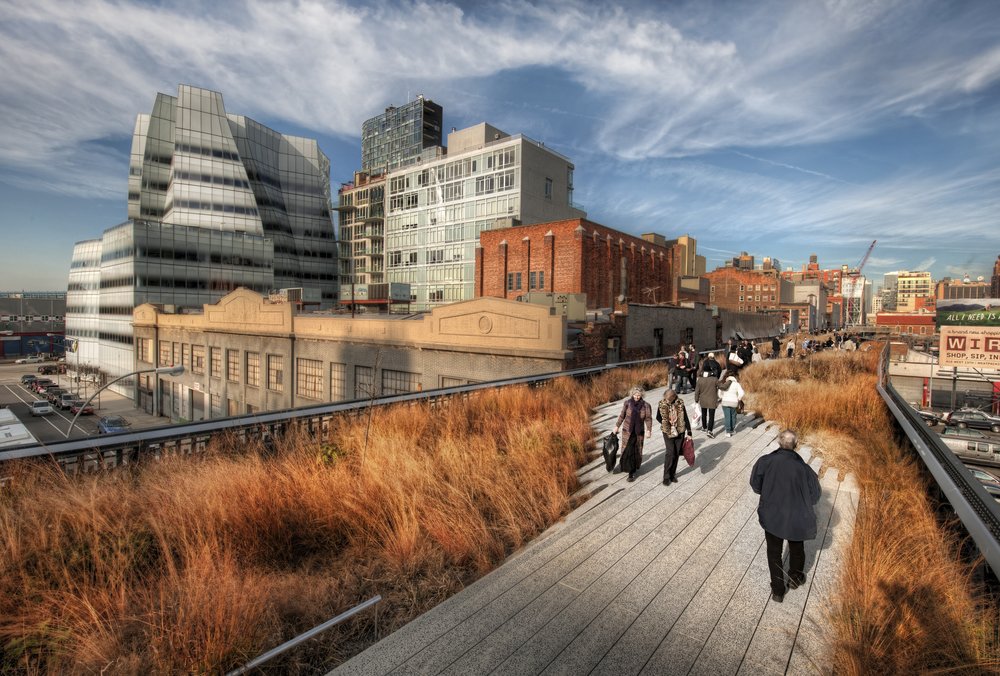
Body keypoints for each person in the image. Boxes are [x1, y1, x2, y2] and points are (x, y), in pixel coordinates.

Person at [750, 430, 821, 603]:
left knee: (773, 552)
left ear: (779, 442)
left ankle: (778, 591)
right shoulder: (803, 468)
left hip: (772, 515)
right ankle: (795, 578)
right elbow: (815, 495)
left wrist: (767, 492)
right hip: (796, 516)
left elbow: (755, 484)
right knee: (797, 549)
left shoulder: (765, 462)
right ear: (795, 445)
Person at [614, 386, 652, 482]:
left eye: (639, 395)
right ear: (632, 394)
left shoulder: (646, 405)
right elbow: (622, 415)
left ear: (641, 395)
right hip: (627, 431)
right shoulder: (627, 403)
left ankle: (631, 472)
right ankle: (623, 466)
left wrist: (649, 430)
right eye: (635, 394)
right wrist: (617, 426)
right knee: (626, 449)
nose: (637, 397)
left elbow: (648, 419)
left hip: (638, 433)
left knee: (635, 451)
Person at [657, 390, 691, 485]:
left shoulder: (680, 403)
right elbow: (658, 417)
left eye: (668, 399)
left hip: (680, 431)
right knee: (670, 453)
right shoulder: (662, 404)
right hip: (668, 432)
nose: (667, 401)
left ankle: (672, 474)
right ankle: (666, 476)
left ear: (673, 398)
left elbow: (685, 417)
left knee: (676, 453)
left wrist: (689, 431)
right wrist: (666, 423)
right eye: (666, 399)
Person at [718, 371, 745, 438]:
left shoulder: (724, 383)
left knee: (727, 417)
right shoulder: (737, 384)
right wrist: (738, 399)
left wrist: (722, 397)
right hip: (734, 402)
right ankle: (732, 429)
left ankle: (728, 431)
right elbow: (742, 393)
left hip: (725, 402)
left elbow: (719, 392)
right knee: (733, 416)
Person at [694, 368, 720, 437]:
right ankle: (709, 430)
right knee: (711, 416)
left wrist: (696, 400)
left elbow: (697, 392)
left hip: (703, 400)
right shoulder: (715, 379)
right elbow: (721, 386)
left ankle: (704, 427)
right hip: (712, 400)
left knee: (704, 414)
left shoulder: (700, 380)